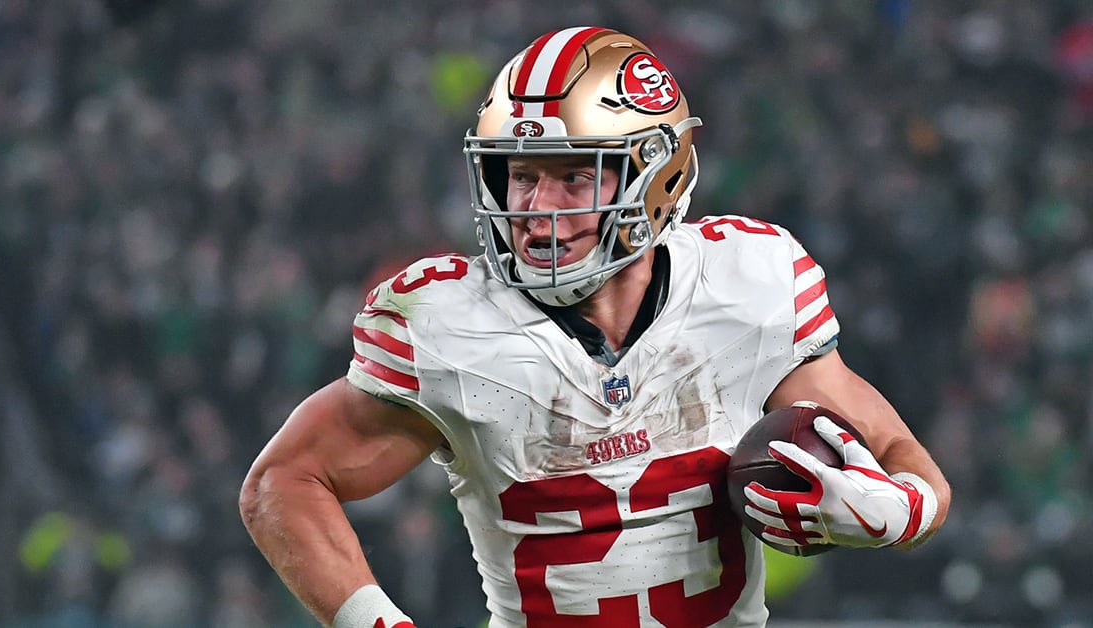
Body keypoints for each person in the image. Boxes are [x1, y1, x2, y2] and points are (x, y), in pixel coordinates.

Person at [239, 26, 951, 628]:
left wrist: (897, 509)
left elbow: (899, 454)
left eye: (573, 177)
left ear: (657, 177)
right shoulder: (451, 327)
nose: (536, 208)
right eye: (519, 177)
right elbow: (284, 482)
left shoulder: (747, 286)